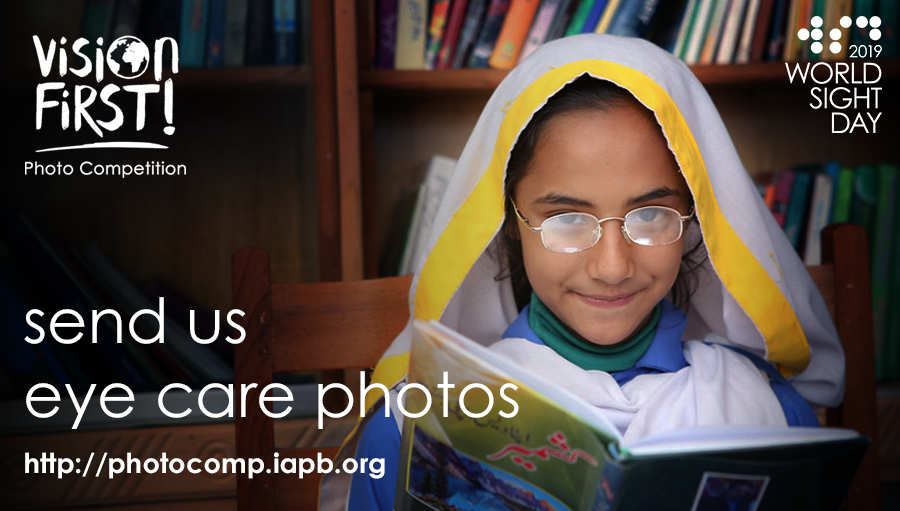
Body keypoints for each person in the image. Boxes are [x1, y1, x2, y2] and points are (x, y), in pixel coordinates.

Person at [318, 34, 845, 511]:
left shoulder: (772, 419)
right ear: (510, 227)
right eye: (567, 219)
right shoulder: (414, 427)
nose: (612, 267)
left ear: (695, 221)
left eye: (651, 215)